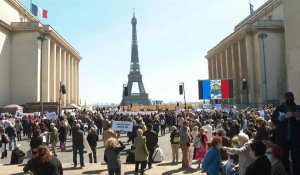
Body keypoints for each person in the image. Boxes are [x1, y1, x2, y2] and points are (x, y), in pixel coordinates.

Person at [271, 91, 300, 174]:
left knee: (297, 159)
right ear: (284, 99)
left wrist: (298, 117)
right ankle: (285, 172)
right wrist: (284, 116)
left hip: (295, 139)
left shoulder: (297, 108)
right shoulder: (279, 109)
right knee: (283, 158)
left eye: (291, 99)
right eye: (287, 99)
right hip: (282, 139)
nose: (289, 101)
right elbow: (274, 120)